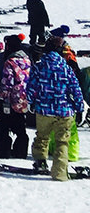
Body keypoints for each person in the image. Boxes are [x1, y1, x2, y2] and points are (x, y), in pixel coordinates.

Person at [26, 35, 84, 180]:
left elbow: (31, 88)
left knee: (42, 137)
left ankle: (40, 163)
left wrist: (30, 102)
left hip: (44, 110)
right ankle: (59, 173)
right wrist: (80, 107)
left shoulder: (38, 67)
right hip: (64, 111)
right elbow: (75, 89)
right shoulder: (67, 68)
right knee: (62, 142)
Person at [0, 34, 31, 158]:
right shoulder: (27, 60)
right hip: (23, 98)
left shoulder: (9, 61)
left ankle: (3, 151)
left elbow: (7, 82)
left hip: (9, 99)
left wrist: (1, 96)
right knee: (20, 126)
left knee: (3, 125)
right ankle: (20, 151)